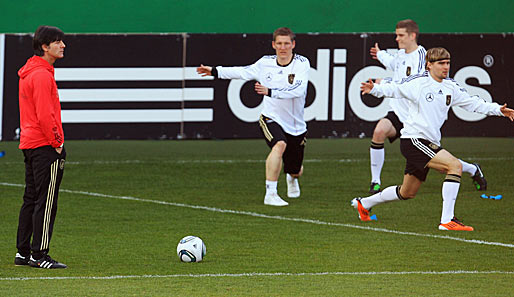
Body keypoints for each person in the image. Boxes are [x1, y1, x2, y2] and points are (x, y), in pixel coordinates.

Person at [355, 47, 514, 230]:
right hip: (414, 141)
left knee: (407, 192)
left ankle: (364, 203)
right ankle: (447, 220)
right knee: (455, 166)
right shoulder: (419, 83)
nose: (445, 67)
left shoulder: (450, 87)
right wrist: (374, 88)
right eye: (440, 63)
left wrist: (498, 110)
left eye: (447, 63)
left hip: (428, 142)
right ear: (429, 65)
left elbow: (473, 103)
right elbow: (395, 89)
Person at [367, 19, 487, 194]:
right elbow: (394, 63)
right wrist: (380, 54)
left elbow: (412, 84)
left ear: (412, 35)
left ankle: (472, 169)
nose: (396, 39)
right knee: (379, 132)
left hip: (416, 116)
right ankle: (375, 182)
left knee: (442, 166)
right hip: (400, 112)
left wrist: (383, 82)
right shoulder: (401, 54)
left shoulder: (422, 57)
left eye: (400, 35)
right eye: (396, 35)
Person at [197, 27, 309, 206]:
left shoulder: (302, 63)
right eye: (279, 43)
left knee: (296, 170)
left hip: (296, 125)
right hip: (271, 117)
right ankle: (270, 194)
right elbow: (242, 72)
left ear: (293, 44)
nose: (283, 47)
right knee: (279, 145)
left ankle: (292, 177)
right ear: (273, 45)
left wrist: (270, 91)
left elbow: (299, 90)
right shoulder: (265, 63)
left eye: (286, 43)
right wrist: (215, 71)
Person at [14, 26, 67, 268]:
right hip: (45, 145)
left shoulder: (29, 72)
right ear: (45, 47)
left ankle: (23, 252)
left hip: (29, 143)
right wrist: (57, 143)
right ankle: (39, 255)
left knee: (30, 199)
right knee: (46, 202)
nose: (63, 45)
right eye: (57, 42)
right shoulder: (43, 75)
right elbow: (46, 115)